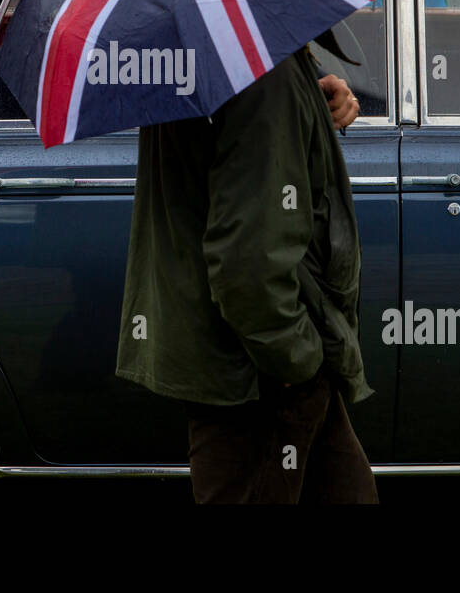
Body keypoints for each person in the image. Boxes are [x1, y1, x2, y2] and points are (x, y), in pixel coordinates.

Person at [115, 45, 378, 503]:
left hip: (262, 360)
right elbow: (248, 264)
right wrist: (296, 360)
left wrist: (311, 90)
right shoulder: (259, 68)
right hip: (260, 375)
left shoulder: (202, 42)